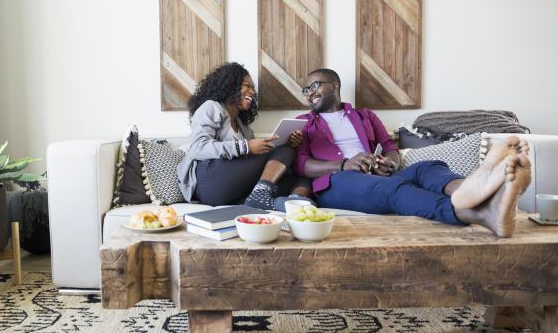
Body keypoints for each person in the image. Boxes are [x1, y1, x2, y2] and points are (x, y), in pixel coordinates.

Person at [293, 68, 531, 237]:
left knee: (428, 167)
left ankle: (472, 190)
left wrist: (390, 162)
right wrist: (344, 164)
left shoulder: (365, 115)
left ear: (334, 86)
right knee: (394, 190)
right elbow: (301, 164)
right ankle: (479, 213)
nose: (310, 93)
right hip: (336, 183)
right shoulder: (303, 122)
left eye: (315, 86)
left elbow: (389, 146)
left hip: (378, 174)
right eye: (306, 89)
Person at [177, 62, 310, 210]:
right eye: (247, 85)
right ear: (229, 86)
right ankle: (261, 196)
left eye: (253, 88)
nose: (252, 92)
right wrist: (246, 146)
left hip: (228, 190)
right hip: (206, 181)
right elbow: (198, 148)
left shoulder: (244, 129)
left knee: (300, 179)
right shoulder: (211, 107)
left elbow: (249, 164)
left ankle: (293, 203)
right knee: (285, 151)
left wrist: (288, 143)